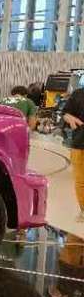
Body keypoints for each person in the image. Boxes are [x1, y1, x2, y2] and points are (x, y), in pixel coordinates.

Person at [63, 86, 84, 222]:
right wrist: (69, 117)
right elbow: (65, 113)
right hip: (80, 143)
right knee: (81, 180)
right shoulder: (79, 94)